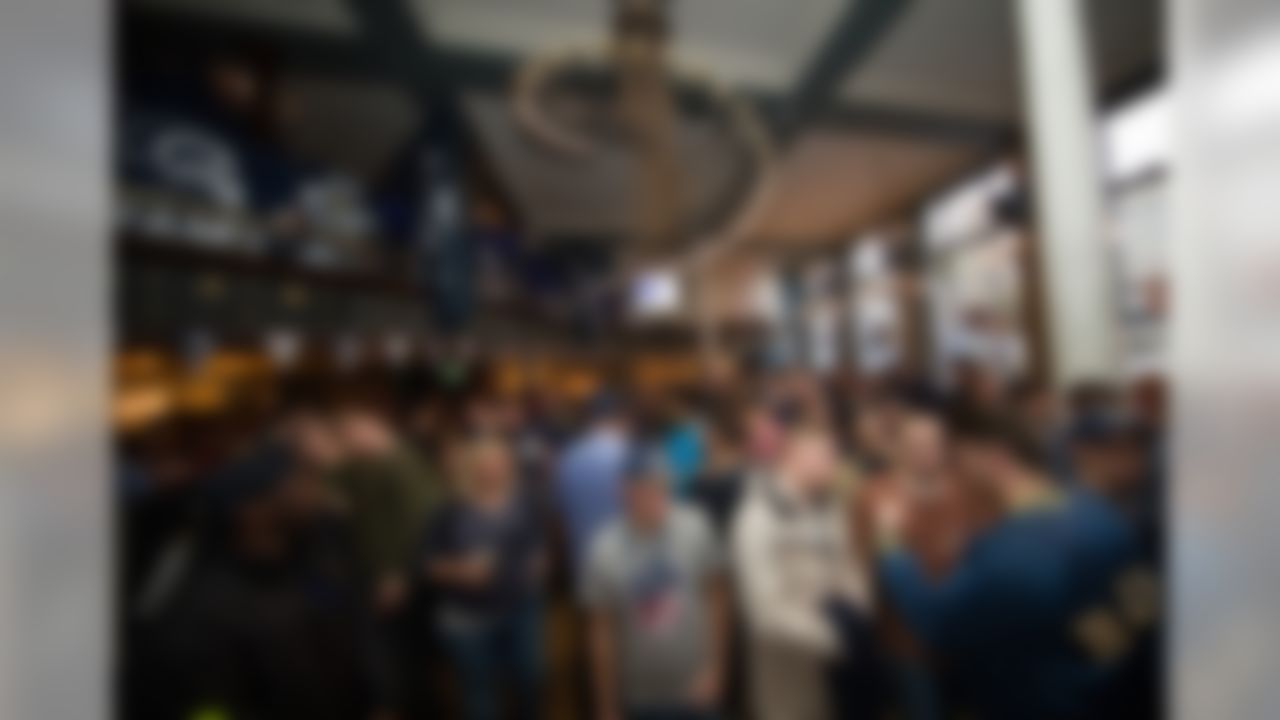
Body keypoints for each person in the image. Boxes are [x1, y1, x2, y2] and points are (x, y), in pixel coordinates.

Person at [874, 411, 1152, 720]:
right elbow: (1141, 612)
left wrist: (892, 549)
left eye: (959, 464)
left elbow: (939, 623)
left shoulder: (1010, 553)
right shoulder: (1098, 513)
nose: (955, 476)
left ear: (995, 460)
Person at [733, 426, 871, 720]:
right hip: (787, 683)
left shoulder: (828, 507)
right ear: (795, 457)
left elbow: (849, 567)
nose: (835, 465)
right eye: (827, 456)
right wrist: (837, 639)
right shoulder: (758, 518)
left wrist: (858, 611)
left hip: (834, 680)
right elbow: (764, 613)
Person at [583, 450, 728, 720]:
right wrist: (606, 704)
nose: (655, 497)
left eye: (661, 487)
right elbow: (601, 633)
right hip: (639, 699)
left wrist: (717, 668)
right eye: (644, 489)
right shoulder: (604, 549)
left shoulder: (696, 526)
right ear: (624, 492)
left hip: (698, 691)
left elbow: (717, 598)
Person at [424, 435, 545, 720]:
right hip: (468, 620)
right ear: (471, 468)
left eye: (501, 463)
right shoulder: (450, 510)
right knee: (480, 693)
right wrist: (459, 571)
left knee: (530, 679)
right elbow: (426, 564)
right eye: (487, 464)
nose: (495, 470)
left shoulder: (525, 500)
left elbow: (535, 542)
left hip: (520, 606)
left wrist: (539, 563)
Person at [554, 392, 632, 576]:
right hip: (627, 564)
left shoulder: (568, 457)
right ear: (621, 418)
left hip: (582, 560)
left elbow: (559, 515)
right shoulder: (632, 455)